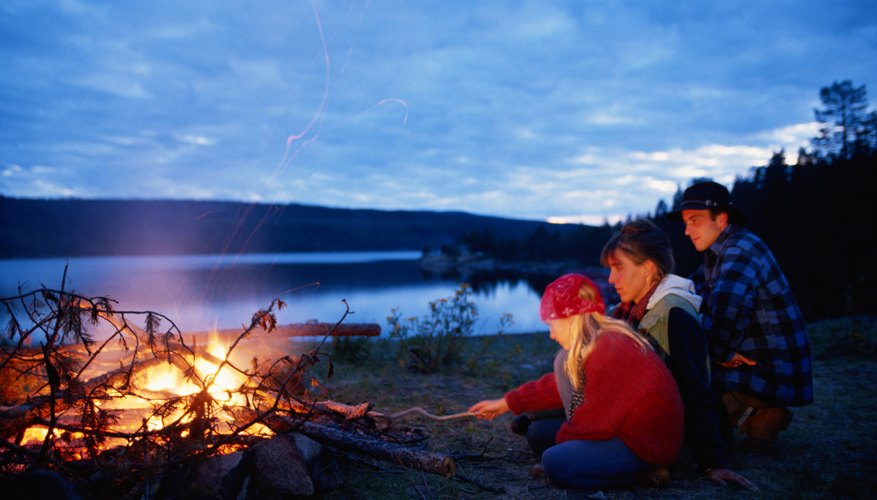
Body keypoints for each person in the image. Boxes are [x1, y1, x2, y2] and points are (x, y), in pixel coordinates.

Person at [467, 273, 684, 489]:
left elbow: (593, 424)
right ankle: (585, 462)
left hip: (644, 443)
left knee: (555, 462)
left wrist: (562, 450)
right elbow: (557, 386)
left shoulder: (609, 350)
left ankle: (647, 474)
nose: (551, 334)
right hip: (620, 429)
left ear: (571, 318)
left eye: (552, 325)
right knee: (538, 433)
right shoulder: (594, 343)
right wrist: (505, 403)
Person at [601, 219, 757, 490]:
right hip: (633, 416)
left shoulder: (673, 315)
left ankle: (653, 470)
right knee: (539, 431)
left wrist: (712, 462)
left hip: (662, 429)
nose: (611, 279)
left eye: (618, 268)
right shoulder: (631, 310)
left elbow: (696, 390)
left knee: (549, 443)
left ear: (649, 268)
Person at [668, 181, 813, 448]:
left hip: (774, 370)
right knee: (695, 379)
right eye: (686, 222)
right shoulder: (719, 252)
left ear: (721, 218)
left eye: (695, 220)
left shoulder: (739, 251)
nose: (687, 230)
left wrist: (719, 353)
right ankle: (747, 411)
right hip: (756, 358)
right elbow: (690, 293)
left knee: (688, 376)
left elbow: (725, 315)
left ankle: (761, 406)